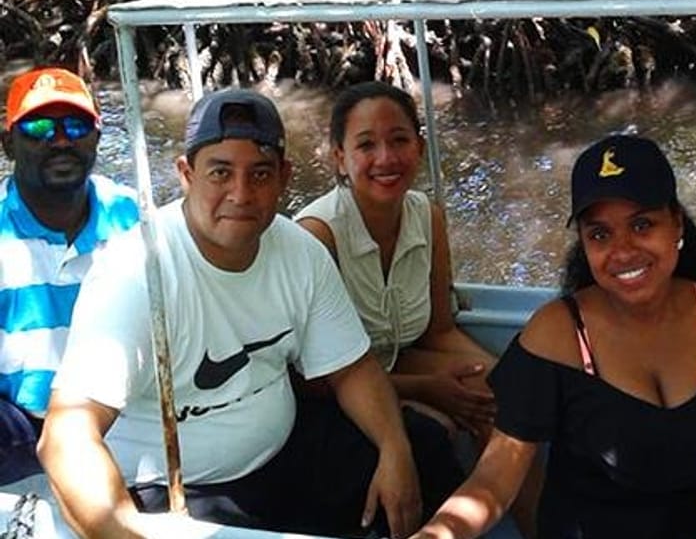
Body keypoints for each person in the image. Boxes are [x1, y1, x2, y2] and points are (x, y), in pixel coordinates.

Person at [38, 89, 423, 539]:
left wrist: (395, 450)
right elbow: (67, 435)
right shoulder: (135, 272)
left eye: (260, 174)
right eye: (220, 172)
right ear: (186, 175)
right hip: (175, 489)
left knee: (425, 448)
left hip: (284, 457)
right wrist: (125, 531)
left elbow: (352, 370)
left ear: (284, 177)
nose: (241, 194)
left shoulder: (301, 252)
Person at [409, 133, 696, 539]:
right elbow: (494, 481)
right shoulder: (556, 333)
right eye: (599, 234)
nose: (623, 251)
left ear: (677, 223)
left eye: (642, 225)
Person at [294, 82, 501, 520]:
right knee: (434, 431)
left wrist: (506, 376)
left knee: (504, 396)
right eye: (366, 145)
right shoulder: (317, 236)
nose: (386, 158)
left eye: (399, 140)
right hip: (330, 393)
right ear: (339, 158)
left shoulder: (428, 217)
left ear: (419, 147)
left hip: (396, 360)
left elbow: (439, 331)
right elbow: (310, 379)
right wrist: (425, 388)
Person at [0, 67, 139, 486]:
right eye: (39, 128)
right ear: (8, 143)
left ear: (96, 136)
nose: (61, 140)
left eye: (76, 126)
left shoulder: (138, 218)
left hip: (128, 416)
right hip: (23, 428)